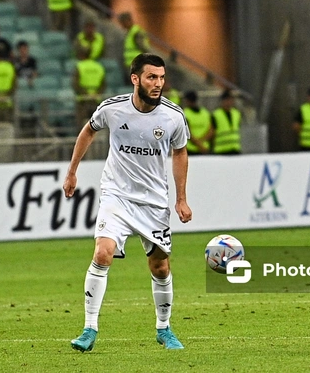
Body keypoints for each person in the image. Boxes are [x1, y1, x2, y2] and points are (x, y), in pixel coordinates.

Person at [63, 53, 191, 352]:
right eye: (151, 77)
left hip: (153, 201)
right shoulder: (113, 108)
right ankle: (89, 328)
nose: (158, 84)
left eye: (161, 78)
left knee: (160, 266)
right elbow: (88, 131)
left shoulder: (173, 116)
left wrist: (181, 199)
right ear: (135, 79)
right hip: (116, 195)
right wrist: (71, 172)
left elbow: (181, 152)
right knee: (103, 253)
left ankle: (164, 328)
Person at [72, 48, 106, 131]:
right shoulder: (99, 66)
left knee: (82, 128)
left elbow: (75, 84)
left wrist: (86, 94)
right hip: (96, 100)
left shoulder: (79, 66)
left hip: (83, 101)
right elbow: (103, 84)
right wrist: (96, 94)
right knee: (97, 126)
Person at [118, 12, 150, 79]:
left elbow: (144, 48)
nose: (122, 25)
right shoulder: (129, 33)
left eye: (123, 23)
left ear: (128, 20)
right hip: (131, 65)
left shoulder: (136, 33)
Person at [212, 89, 242, 154]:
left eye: (230, 100)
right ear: (222, 101)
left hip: (235, 148)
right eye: (227, 100)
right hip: (221, 150)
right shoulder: (216, 114)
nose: (229, 102)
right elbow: (212, 132)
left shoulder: (237, 114)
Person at [183, 90, 213, 155]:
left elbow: (188, 134)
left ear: (187, 100)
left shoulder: (185, 114)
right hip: (205, 148)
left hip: (191, 149)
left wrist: (199, 144)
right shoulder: (205, 112)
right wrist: (202, 144)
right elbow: (211, 131)